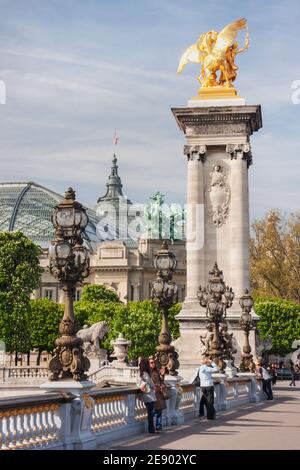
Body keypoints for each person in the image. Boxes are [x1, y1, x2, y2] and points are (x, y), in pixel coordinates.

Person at [138, 358, 157, 434]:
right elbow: (151, 383)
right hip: (149, 395)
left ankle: (151, 428)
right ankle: (151, 429)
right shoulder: (145, 373)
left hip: (145, 394)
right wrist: (154, 387)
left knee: (150, 412)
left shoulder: (140, 373)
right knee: (150, 413)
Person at [149, 357, 167, 431]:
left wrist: (162, 375)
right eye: (151, 362)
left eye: (154, 362)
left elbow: (161, 381)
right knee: (155, 411)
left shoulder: (156, 371)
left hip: (159, 393)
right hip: (154, 393)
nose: (153, 364)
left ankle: (158, 425)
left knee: (160, 411)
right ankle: (153, 425)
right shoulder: (149, 372)